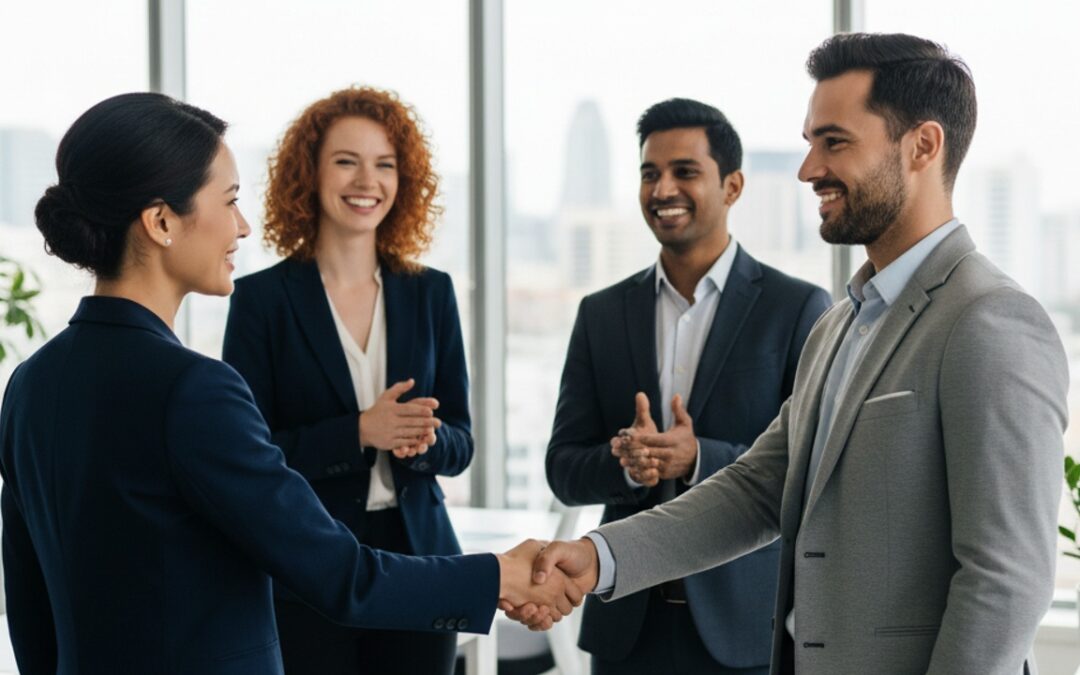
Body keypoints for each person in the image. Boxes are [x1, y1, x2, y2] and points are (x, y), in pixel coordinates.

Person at [528, 33, 1068, 675]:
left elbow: (1006, 580)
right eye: (811, 142)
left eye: (834, 142)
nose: (809, 168)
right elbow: (758, 490)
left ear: (922, 145)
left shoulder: (991, 319)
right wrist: (598, 558)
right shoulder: (839, 326)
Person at [0, 92, 580, 675]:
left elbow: (30, 606)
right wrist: (500, 573)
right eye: (228, 201)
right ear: (161, 222)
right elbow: (342, 578)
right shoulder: (194, 391)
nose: (243, 226)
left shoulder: (28, 385)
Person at [544, 98, 830, 675]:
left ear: (733, 186)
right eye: (649, 173)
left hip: (744, 629)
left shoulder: (797, 308)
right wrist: (627, 465)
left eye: (684, 172)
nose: (662, 188)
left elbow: (813, 469)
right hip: (625, 627)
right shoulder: (600, 314)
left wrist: (699, 457)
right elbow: (562, 469)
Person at [221, 86, 470, 675]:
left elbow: (462, 442)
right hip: (308, 566)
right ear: (309, 173)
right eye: (346, 161)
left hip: (420, 561)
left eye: (385, 164)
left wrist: (427, 440)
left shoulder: (431, 292)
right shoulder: (262, 301)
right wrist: (361, 430)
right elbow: (249, 458)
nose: (368, 181)